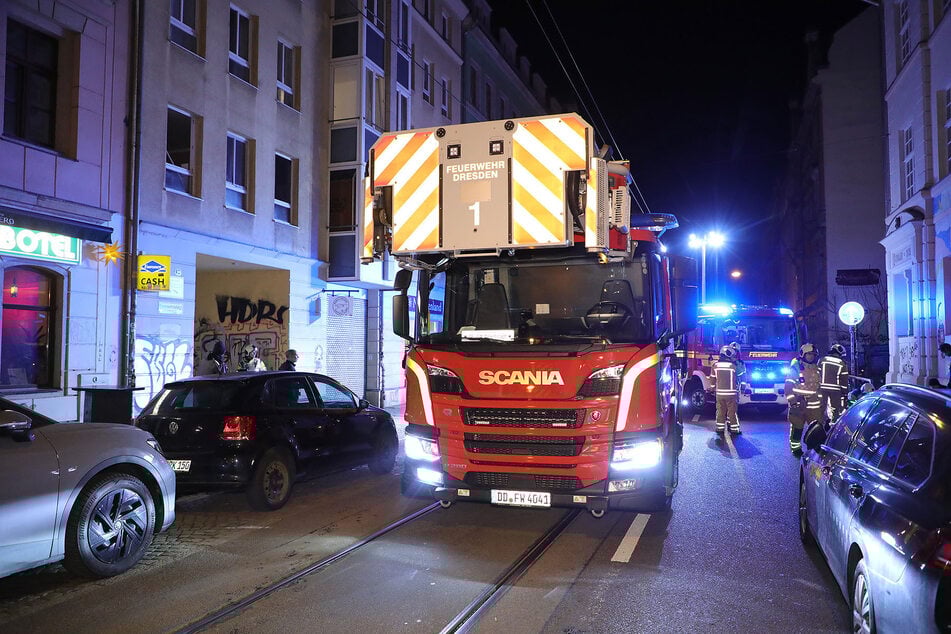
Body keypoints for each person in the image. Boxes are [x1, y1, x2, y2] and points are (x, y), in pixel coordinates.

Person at [710, 345, 741, 436]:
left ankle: (720, 428)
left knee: (720, 411)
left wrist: (712, 388)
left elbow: (712, 378)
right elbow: (741, 373)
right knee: (732, 412)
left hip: (719, 393)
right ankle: (734, 429)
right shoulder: (733, 366)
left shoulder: (715, 365)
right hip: (731, 393)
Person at [790, 343, 823, 427]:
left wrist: (823, 403)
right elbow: (788, 387)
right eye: (809, 354)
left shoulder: (817, 369)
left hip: (815, 407)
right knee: (796, 431)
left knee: (815, 432)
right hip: (799, 404)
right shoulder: (795, 368)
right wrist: (793, 403)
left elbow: (820, 386)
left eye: (813, 354)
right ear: (803, 354)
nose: (811, 356)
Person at [818, 343, 849, 421]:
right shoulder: (842, 363)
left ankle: (819, 426)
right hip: (836, 390)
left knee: (820, 409)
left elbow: (817, 374)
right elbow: (844, 380)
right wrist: (845, 392)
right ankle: (833, 427)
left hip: (821, 388)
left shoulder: (822, 360)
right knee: (836, 409)